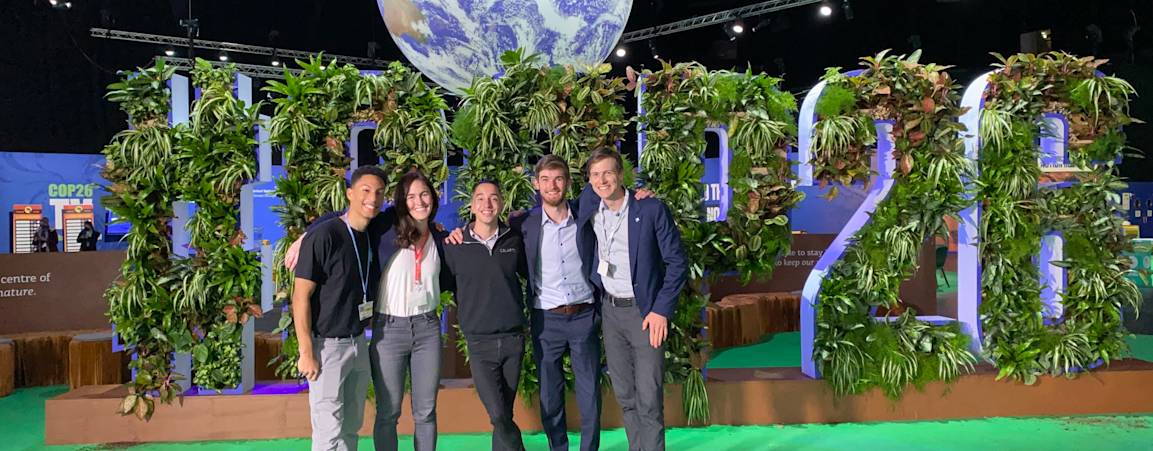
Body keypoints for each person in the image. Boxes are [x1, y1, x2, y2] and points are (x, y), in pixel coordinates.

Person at [288, 169, 448, 451]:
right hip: (386, 330)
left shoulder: (440, 238)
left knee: (419, 413)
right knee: (384, 413)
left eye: (424, 194)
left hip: (420, 329)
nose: (419, 201)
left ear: (434, 199)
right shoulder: (386, 227)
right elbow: (346, 217)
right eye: (410, 196)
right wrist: (307, 235)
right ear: (400, 201)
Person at [578, 147, 687, 451]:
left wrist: (661, 311)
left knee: (649, 400)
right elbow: (553, 203)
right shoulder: (589, 202)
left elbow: (677, 262)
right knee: (625, 397)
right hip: (611, 313)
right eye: (595, 175)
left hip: (645, 314)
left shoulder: (650, 209)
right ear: (589, 180)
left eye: (608, 173)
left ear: (621, 174)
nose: (602, 181)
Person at [292, 165, 389, 451]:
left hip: (358, 342)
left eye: (379, 192)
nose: (372, 197)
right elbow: (300, 297)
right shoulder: (324, 236)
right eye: (365, 190)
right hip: (327, 348)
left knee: (351, 426)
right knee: (328, 430)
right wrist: (306, 352)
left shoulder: (371, 234)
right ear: (349, 193)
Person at [441, 180, 530, 451]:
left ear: (501, 203)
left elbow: (531, 275)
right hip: (479, 343)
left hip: (514, 340)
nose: (487, 204)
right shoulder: (455, 245)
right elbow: (442, 284)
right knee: (498, 414)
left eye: (493, 198)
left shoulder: (514, 240)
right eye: (480, 198)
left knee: (504, 413)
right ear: (472, 205)